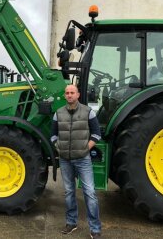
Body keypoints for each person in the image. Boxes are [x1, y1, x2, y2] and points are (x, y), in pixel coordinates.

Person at [51, 84, 102, 239]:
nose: (69, 95)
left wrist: (85, 148)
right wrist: (58, 147)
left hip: (83, 159)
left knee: (90, 192)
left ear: (78, 95)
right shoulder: (58, 114)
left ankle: (95, 228)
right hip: (65, 160)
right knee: (69, 192)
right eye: (67, 93)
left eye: (72, 92)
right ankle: (71, 223)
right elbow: (53, 135)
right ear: (65, 96)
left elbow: (97, 134)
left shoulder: (88, 112)